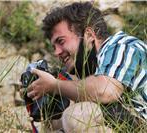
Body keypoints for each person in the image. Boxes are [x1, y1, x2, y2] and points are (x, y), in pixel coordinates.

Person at [27, 2, 147, 132]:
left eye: (61, 41)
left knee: (77, 115)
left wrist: (55, 86)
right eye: (53, 47)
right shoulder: (90, 68)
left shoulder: (122, 46)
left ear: (89, 35)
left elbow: (105, 91)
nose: (56, 52)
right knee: (57, 122)